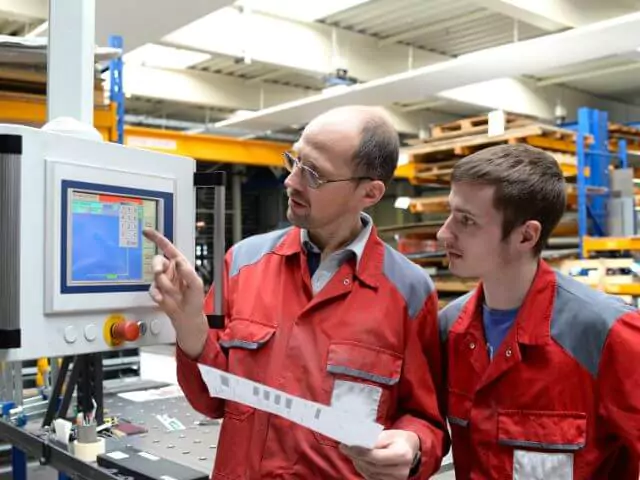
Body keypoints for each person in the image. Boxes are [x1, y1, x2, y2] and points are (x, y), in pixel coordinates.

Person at [144, 105, 448, 479]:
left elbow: (426, 419)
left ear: (369, 192)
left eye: (314, 174)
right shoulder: (242, 262)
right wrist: (190, 324)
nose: (291, 181)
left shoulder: (410, 292)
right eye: (295, 160)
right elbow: (211, 401)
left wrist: (413, 445)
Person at [437, 143, 640, 479]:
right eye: (450, 214)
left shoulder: (606, 335)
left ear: (525, 235)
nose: (444, 232)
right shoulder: (451, 329)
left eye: (466, 220)